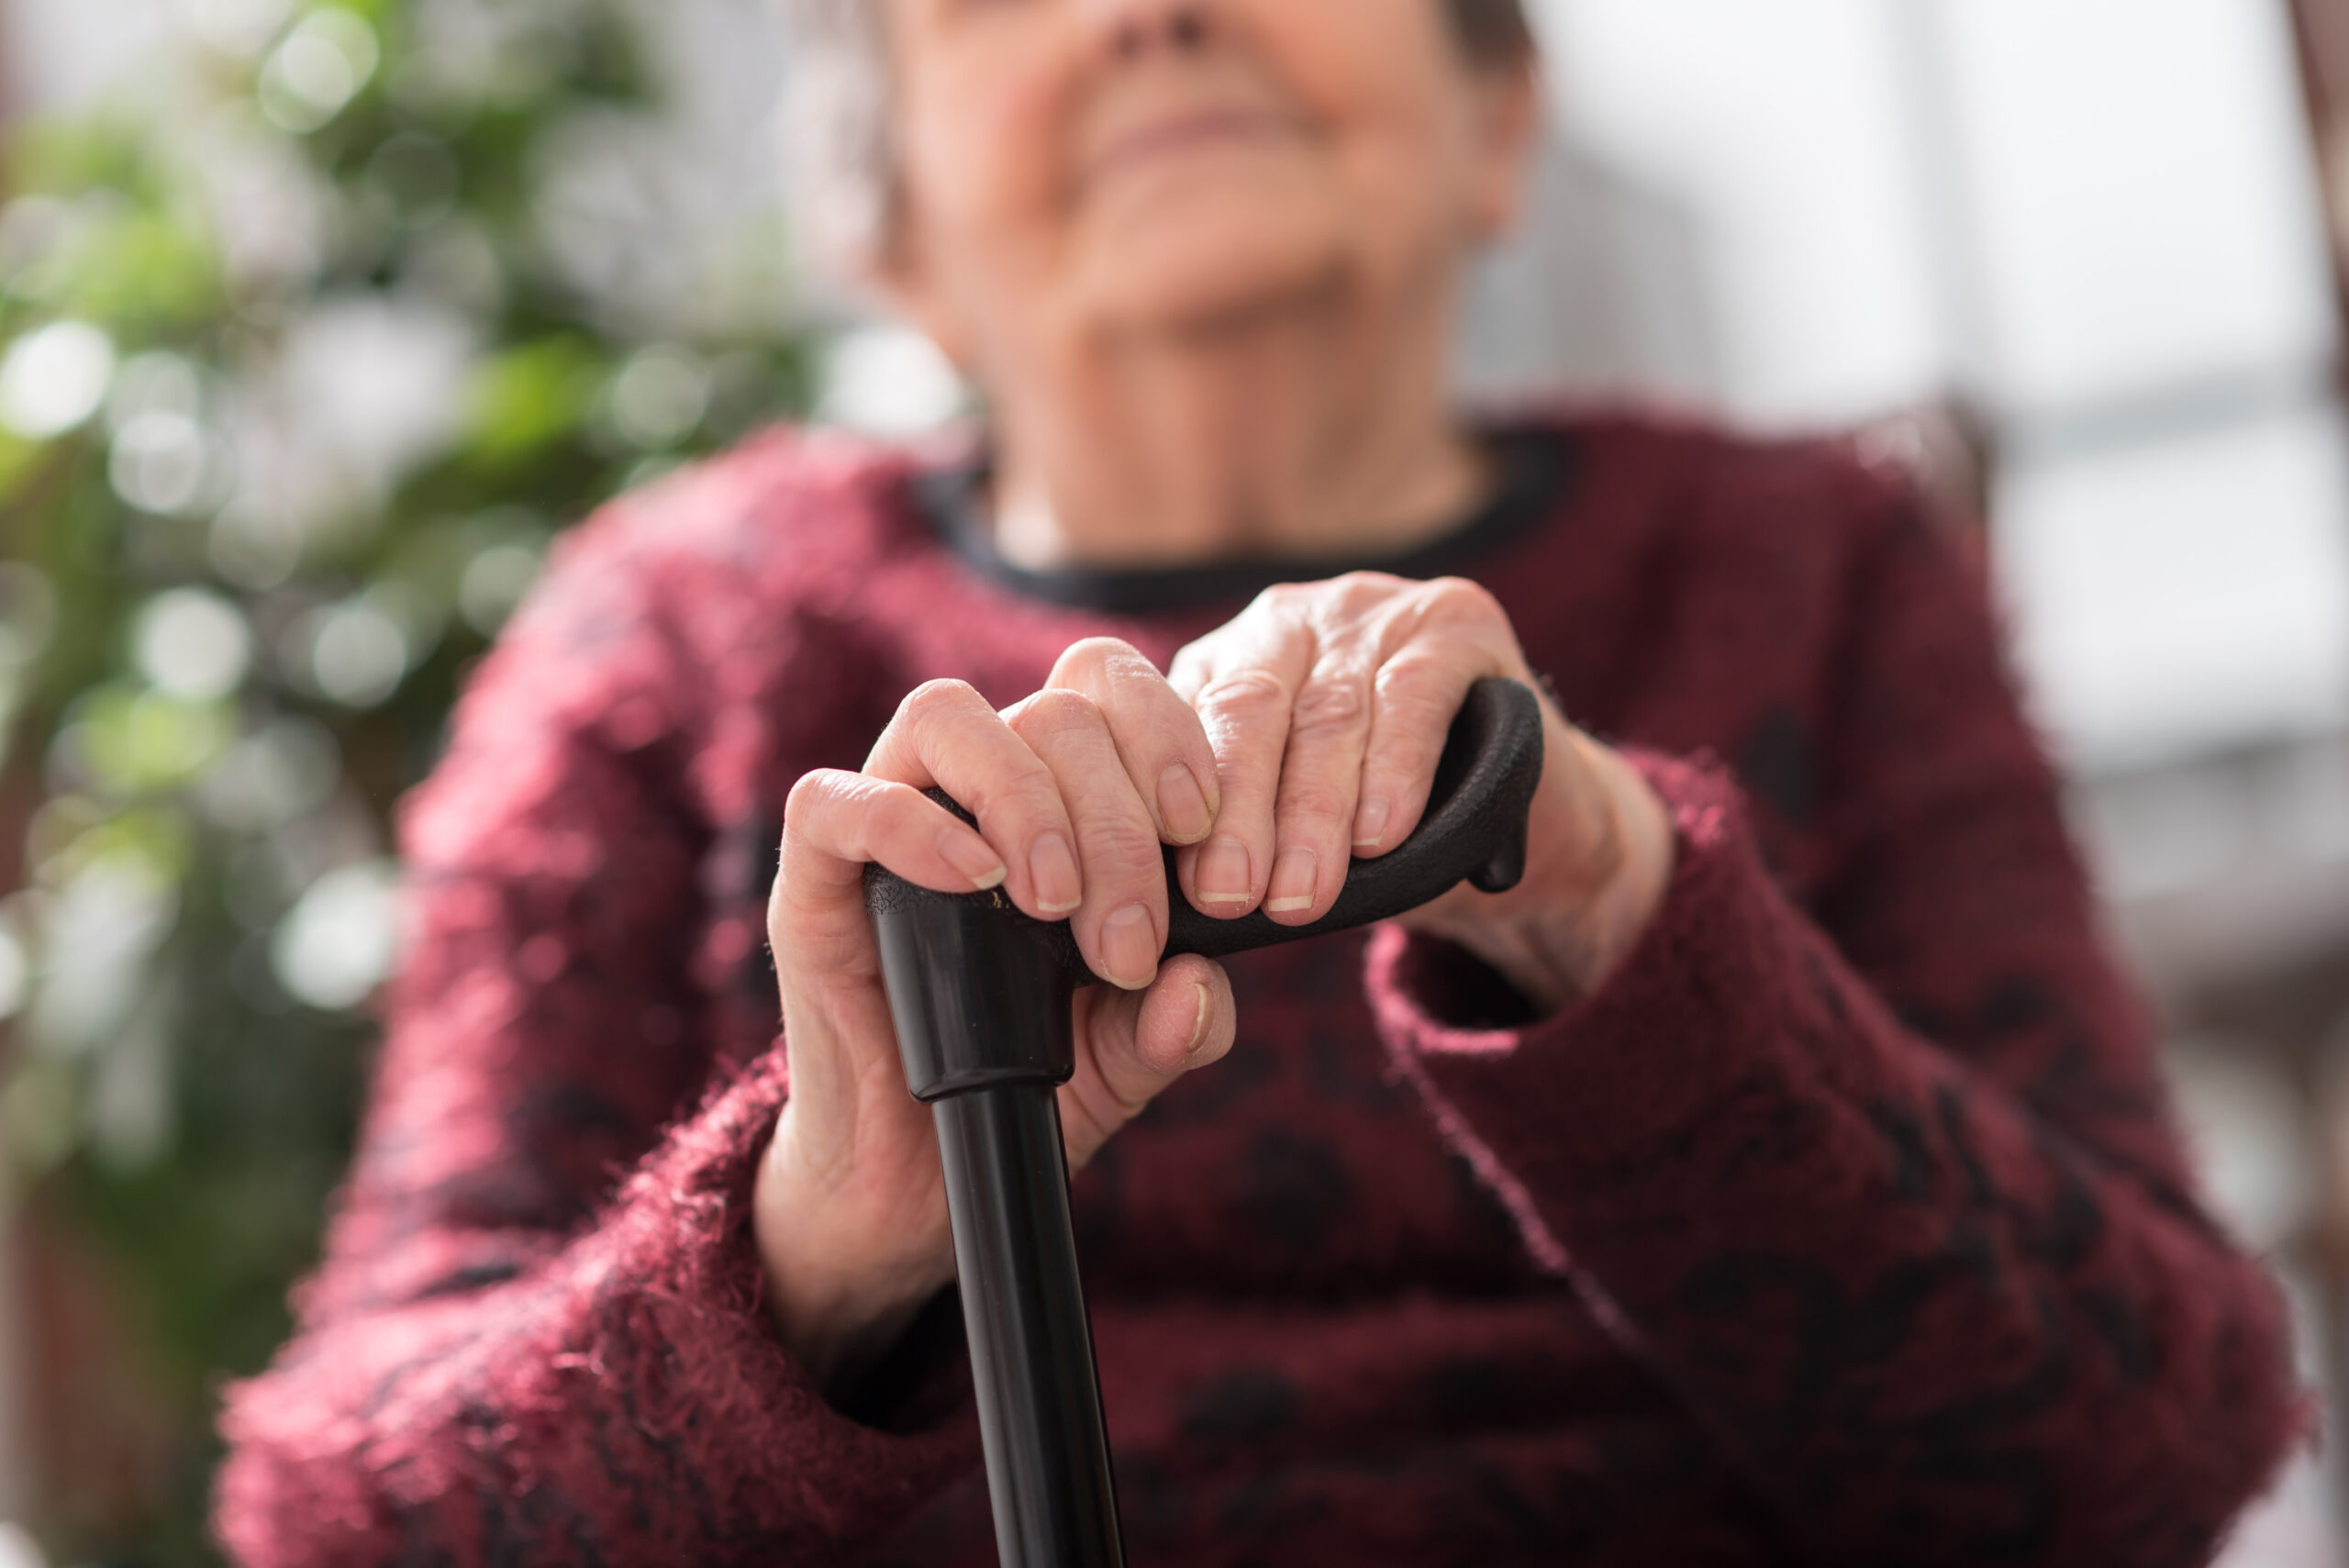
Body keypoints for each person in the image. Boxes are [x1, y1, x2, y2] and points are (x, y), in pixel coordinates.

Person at [215, 2, 2304, 1562]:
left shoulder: (1807, 565)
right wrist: (810, 1249)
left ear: (1496, 121)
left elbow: (2149, 1445)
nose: (1156, 10)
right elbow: (336, 1516)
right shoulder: (681, 641)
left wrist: (1603, 892)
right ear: (895, 238)